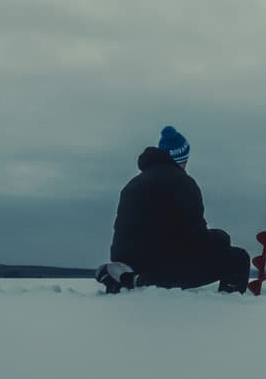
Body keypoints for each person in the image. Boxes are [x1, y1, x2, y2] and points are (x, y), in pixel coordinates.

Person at [95, 126, 250, 294]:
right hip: (164, 267)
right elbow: (196, 239)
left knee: (155, 256)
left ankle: (128, 278)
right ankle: (227, 304)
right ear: (182, 157)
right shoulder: (183, 183)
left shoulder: (132, 184)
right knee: (238, 258)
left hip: (129, 263)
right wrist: (221, 238)